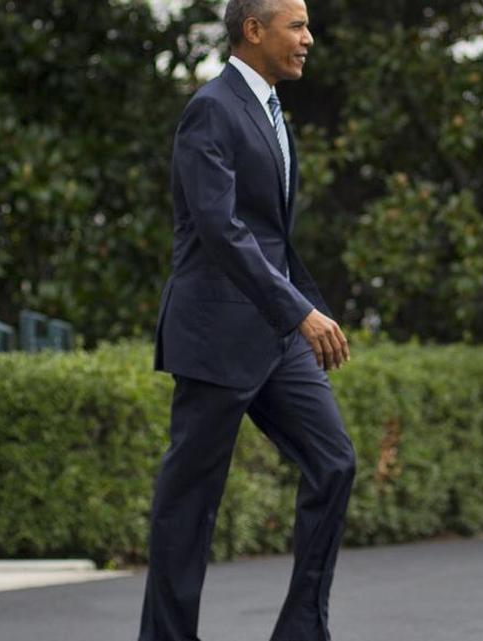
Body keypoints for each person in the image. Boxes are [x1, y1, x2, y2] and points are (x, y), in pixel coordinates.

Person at [138, 1, 356, 640]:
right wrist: (300, 310)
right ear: (253, 31)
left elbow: (271, 236)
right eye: (297, 25)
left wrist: (297, 309)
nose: (308, 38)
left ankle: (301, 632)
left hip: (275, 332)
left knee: (333, 462)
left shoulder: (271, 110)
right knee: (190, 508)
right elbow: (221, 229)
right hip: (214, 334)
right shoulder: (212, 107)